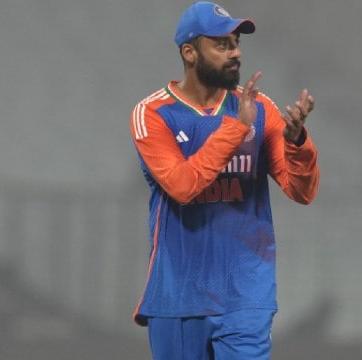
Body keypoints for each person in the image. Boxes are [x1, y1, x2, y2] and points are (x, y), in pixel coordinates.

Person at [129, 2, 320, 359]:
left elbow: (302, 190)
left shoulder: (260, 108)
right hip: (179, 294)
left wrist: (297, 144)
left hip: (246, 293)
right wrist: (235, 128)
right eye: (222, 44)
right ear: (189, 52)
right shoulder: (153, 114)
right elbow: (183, 186)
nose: (235, 53)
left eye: (236, 43)